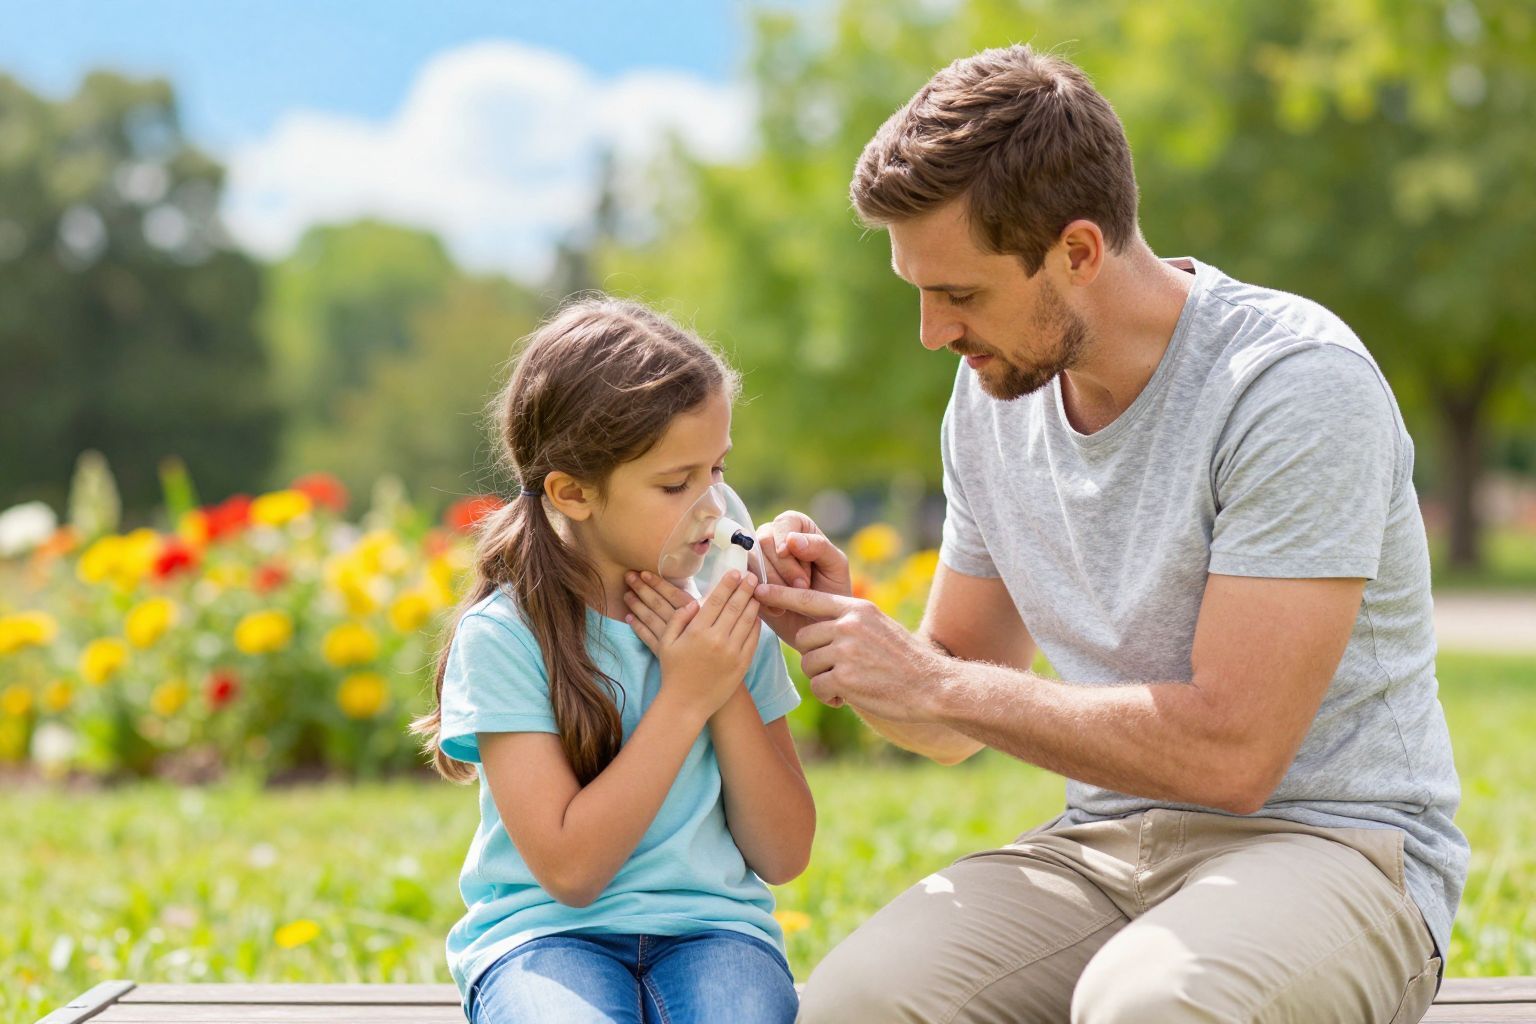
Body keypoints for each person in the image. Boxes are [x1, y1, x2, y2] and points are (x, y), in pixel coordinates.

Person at [746, 45, 1466, 1023]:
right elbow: (949, 718)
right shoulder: (991, 397)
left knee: (1151, 1006)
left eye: (959, 293)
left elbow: (1232, 756)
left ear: (1079, 252)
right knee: (854, 1004)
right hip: (1106, 850)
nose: (931, 332)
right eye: (918, 290)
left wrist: (936, 683)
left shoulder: (1291, 386)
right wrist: (847, 637)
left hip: (1334, 847)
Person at [412, 296, 813, 1024]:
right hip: (545, 938)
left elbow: (783, 854)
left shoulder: (729, 621)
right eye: (676, 483)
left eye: (717, 470)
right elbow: (571, 871)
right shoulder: (506, 637)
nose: (712, 506)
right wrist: (686, 697)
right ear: (573, 492)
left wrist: (721, 684)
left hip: (716, 934)